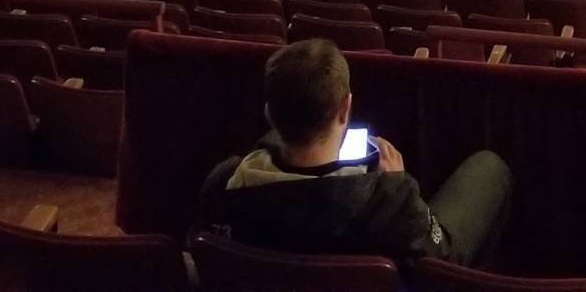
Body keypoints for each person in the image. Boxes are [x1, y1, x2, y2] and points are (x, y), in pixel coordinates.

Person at [197, 38, 511, 266]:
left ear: (269, 113)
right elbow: (442, 257)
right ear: (345, 108)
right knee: (489, 167)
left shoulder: (225, 183)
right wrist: (401, 188)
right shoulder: (389, 202)